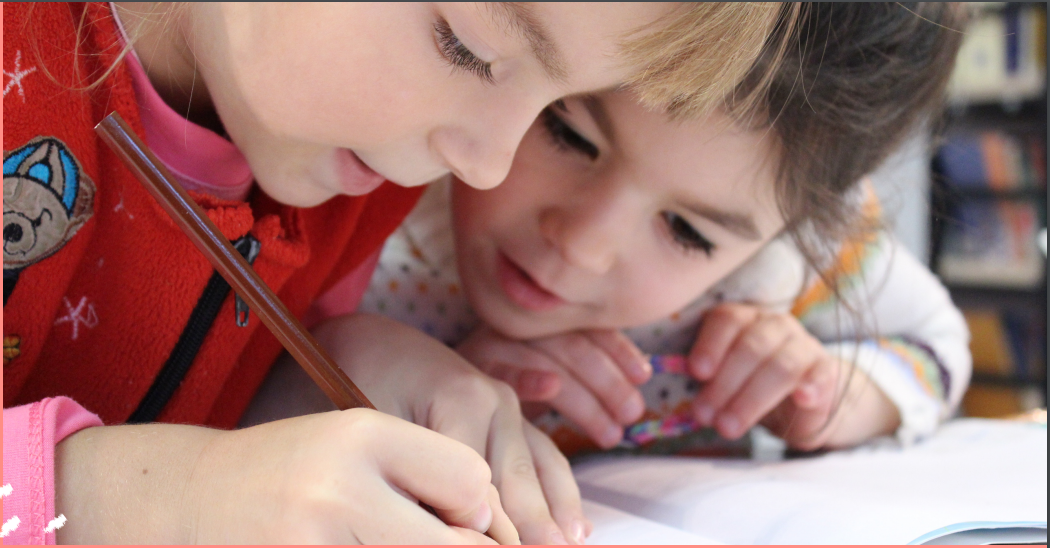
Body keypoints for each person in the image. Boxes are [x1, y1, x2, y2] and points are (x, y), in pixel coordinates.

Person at [1, 2, 791, 544]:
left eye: (557, 100)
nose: (486, 169)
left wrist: (327, 379)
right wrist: (155, 502)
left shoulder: (352, 172)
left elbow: (187, 408)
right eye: (468, 49)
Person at [343, 2, 971, 456]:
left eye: (687, 232)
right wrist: (423, 386)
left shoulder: (788, 265)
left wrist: (838, 396)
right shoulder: (375, 182)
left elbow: (938, 345)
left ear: (793, 231)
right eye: (568, 135)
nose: (583, 245)